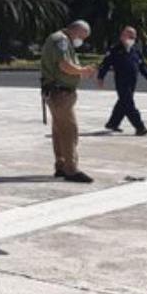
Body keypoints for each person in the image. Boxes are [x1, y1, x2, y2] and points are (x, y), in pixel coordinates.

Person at [40, 20, 98, 183]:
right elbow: (64, 65)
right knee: (69, 130)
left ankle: (61, 165)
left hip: (57, 92)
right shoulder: (61, 40)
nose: (82, 41)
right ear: (77, 31)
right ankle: (71, 169)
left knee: (59, 131)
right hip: (61, 93)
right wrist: (83, 71)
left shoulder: (60, 39)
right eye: (83, 37)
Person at [98, 26, 147, 136]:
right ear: (122, 36)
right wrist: (100, 77)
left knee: (123, 102)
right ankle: (140, 127)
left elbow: (141, 64)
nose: (132, 39)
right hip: (121, 80)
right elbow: (105, 64)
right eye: (130, 36)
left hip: (132, 80)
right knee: (128, 103)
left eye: (134, 37)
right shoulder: (115, 50)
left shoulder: (135, 50)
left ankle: (113, 123)